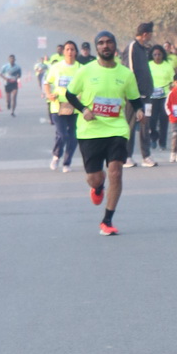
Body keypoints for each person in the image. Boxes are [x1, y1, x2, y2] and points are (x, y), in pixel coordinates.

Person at [65, 31, 140, 235]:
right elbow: (70, 94)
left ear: (115, 46)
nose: (105, 46)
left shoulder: (126, 74)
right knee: (94, 178)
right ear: (96, 47)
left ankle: (107, 220)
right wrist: (84, 109)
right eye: (101, 43)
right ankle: (98, 187)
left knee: (116, 171)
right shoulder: (85, 71)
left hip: (117, 128)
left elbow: (135, 99)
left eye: (109, 42)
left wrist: (140, 110)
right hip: (90, 131)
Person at [121, 22, 158, 167]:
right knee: (130, 125)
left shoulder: (144, 49)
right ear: (145, 34)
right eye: (151, 34)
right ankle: (127, 156)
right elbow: (129, 71)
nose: (151, 36)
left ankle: (146, 156)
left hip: (147, 95)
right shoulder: (132, 47)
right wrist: (133, 93)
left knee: (145, 125)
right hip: (134, 96)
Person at [44, 39, 81, 172]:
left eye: (72, 49)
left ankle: (67, 163)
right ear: (64, 52)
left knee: (73, 136)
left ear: (76, 52)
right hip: (58, 105)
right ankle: (56, 156)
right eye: (67, 49)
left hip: (74, 106)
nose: (70, 52)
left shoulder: (81, 68)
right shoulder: (56, 67)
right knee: (62, 134)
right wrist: (49, 94)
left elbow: (86, 86)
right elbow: (47, 83)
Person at [147, 43, 175, 152]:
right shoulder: (148, 65)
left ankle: (162, 143)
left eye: (159, 54)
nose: (157, 56)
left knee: (164, 119)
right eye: (155, 55)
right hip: (152, 96)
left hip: (165, 96)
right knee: (152, 119)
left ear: (163, 55)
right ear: (152, 55)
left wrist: (172, 87)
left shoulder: (167, 65)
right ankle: (153, 137)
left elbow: (173, 80)